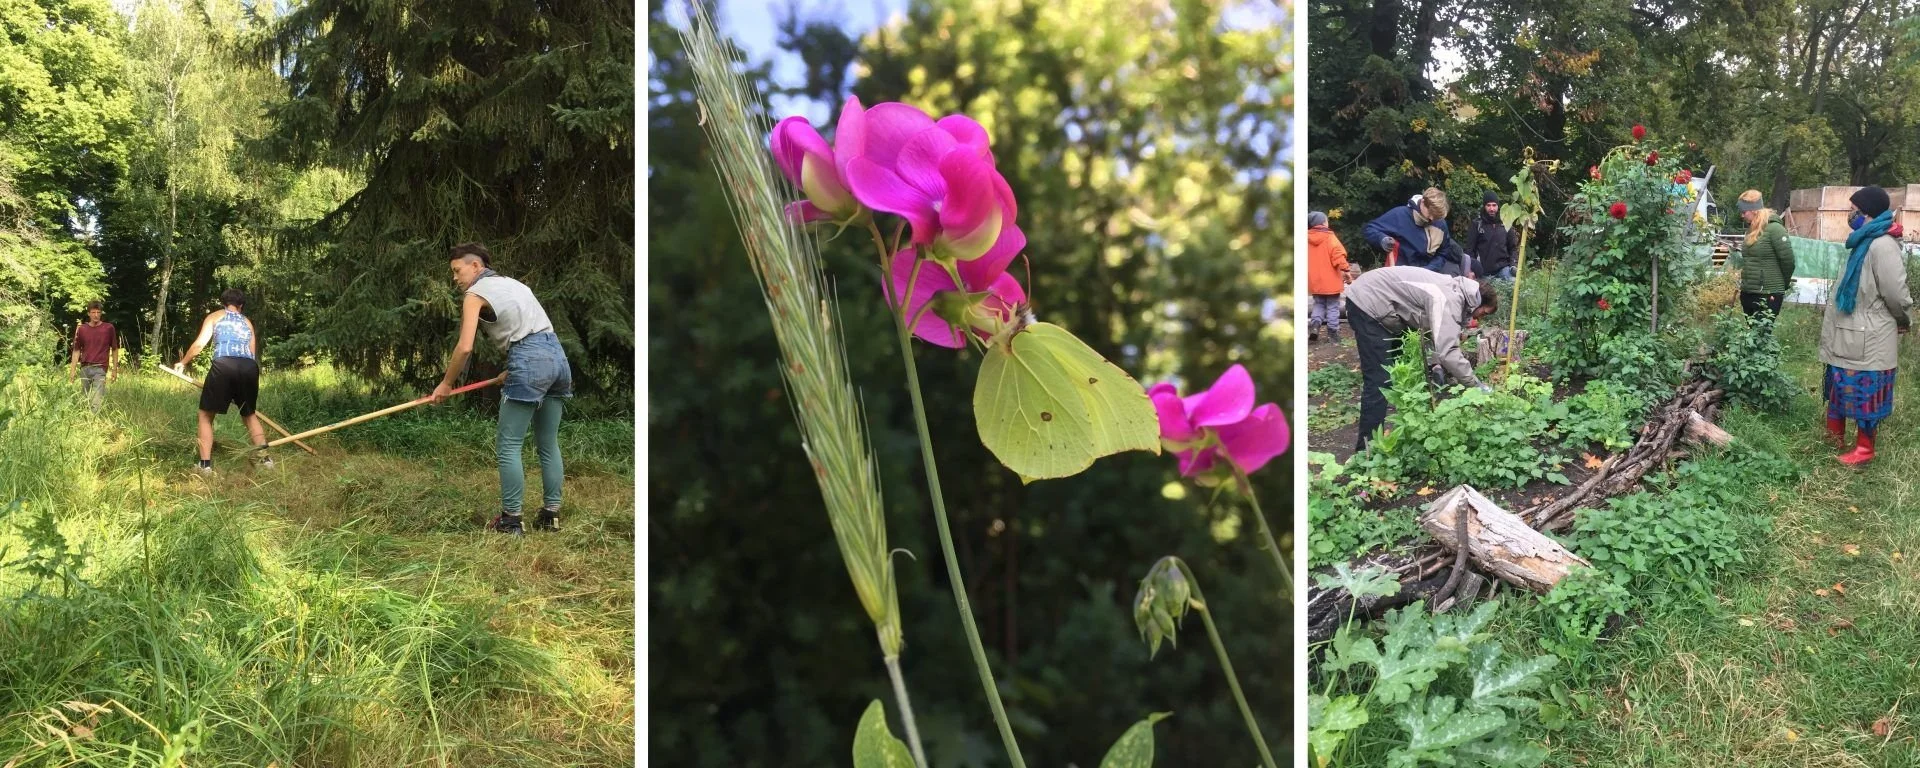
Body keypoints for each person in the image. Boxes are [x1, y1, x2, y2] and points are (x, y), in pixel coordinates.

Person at [433, 242, 572, 535]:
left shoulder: (474, 294)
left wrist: (446, 383)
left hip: (530, 359)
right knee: (548, 443)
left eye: (457, 271)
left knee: (509, 446)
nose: (456, 279)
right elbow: (534, 332)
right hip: (557, 358)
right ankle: (550, 516)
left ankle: (511, 521)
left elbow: (465, 346)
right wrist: (516, 368)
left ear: (475, 266)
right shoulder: (515, 285)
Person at [1345, 266, 1499, 452]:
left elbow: (1434, 334)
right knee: (1379, 380)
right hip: (1368, 301)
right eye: (1484, 312)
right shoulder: (1448, 298)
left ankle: (1397, 433)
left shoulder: (1455, 290)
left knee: (1396, 372)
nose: (1481, 318)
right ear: (1478, 302)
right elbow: (1448, 351)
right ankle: (1366, 452)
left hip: (1378, 300)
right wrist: (1476, 386)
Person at [1820, 186, 1910, 467]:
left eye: (1853, 209)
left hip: (1870, 335)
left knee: (1865, 394)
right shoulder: (1862, 241)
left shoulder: (1882, 245)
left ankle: (1864, 449)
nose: (1850, 214)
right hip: (1849, 331)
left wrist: (1903, 319)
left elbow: (1895, 294)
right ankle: (1834, 438)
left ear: (1867, 212)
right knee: (1840, 385)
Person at [176, 289, 271, 474]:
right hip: (249, 368)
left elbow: (198, 346)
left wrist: (183, 362)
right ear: (241, 305)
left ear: (223, 303)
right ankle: (265, 461)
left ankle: (205, 466)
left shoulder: (215, 317)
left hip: (224, 366)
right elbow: (251, 353)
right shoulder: (247, 322)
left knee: (205, 415)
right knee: (249, 415)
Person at [1362, 188, 1472, 277]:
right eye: (1431, 213)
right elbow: (1370, 229)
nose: (1432, 218)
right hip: (1400, 274)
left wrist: (1430, 269)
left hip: (1428, 274)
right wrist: (1382, 239)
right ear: (1423, 202)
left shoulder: (1440, 223)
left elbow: (1443, 253)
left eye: (1436, 217)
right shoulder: (1400, 215)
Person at [1735, 189, 1795, 322]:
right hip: (1749, 292)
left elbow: (1788, 261)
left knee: (1761, 336)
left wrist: (1781, 285)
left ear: (1754, 210)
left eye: (1744, 212)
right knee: (1752, 336)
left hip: (1768, 293)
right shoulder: (1751, 231)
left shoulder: (1775, 229)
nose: (1742, 216)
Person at [1307, 211, 1355, 344]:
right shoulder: (1329, 237)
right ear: (1323, 222)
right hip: (1331, 281)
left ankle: (1315, 327)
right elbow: (1338, 256)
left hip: (1314, 281)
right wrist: (1346, 271)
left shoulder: (1306, 238)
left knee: (1319, 304)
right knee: (1333, 306)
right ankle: (1333, 333)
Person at [69, 300, 118, 412]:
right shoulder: (82, 329)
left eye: (98, 312)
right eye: (93, 312)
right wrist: (72, 370)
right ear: (89, 313)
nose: (96, 315)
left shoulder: (108, 328)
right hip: (85, 368)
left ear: (101, 313)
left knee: (96, 399)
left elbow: (114, 349)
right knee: (84, 398)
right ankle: (83, 422)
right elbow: (76, 351)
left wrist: (115, 369)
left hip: (100, 368)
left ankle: (93, 421)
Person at [1465, 190, 1519, 280]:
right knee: (1486, 293)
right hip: (1484, 272)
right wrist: (1472, 270)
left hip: (1503, 269)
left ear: (1498, 206)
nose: (1491, 209)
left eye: (1494, 205)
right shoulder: (1477, 224)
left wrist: (1513, 265)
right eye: (1488, 205)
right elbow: (1470, 250)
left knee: (1514, 285)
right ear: (1484, 206)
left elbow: (1512, 248)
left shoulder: (1506, 223)